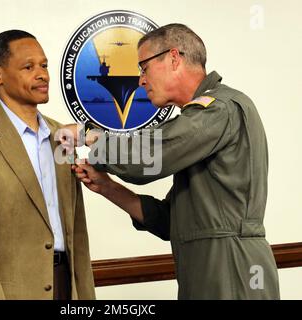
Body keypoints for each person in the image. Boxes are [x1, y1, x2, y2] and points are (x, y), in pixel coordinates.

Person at [62, 23, 280, 299]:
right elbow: (172, 222)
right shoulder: (202, 118)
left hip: (231, 270)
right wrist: (107, 187)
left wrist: (90, 136)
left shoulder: (218, 109)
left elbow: (150, 157)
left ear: (174, 58)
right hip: (211, 268)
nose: (141, 80)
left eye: (144, 67)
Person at [0, 30, 95, 300]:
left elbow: (77, 233)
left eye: (44, 65)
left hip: (67, 287)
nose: (43, 75)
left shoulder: (62, 137)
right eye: (28, 67)